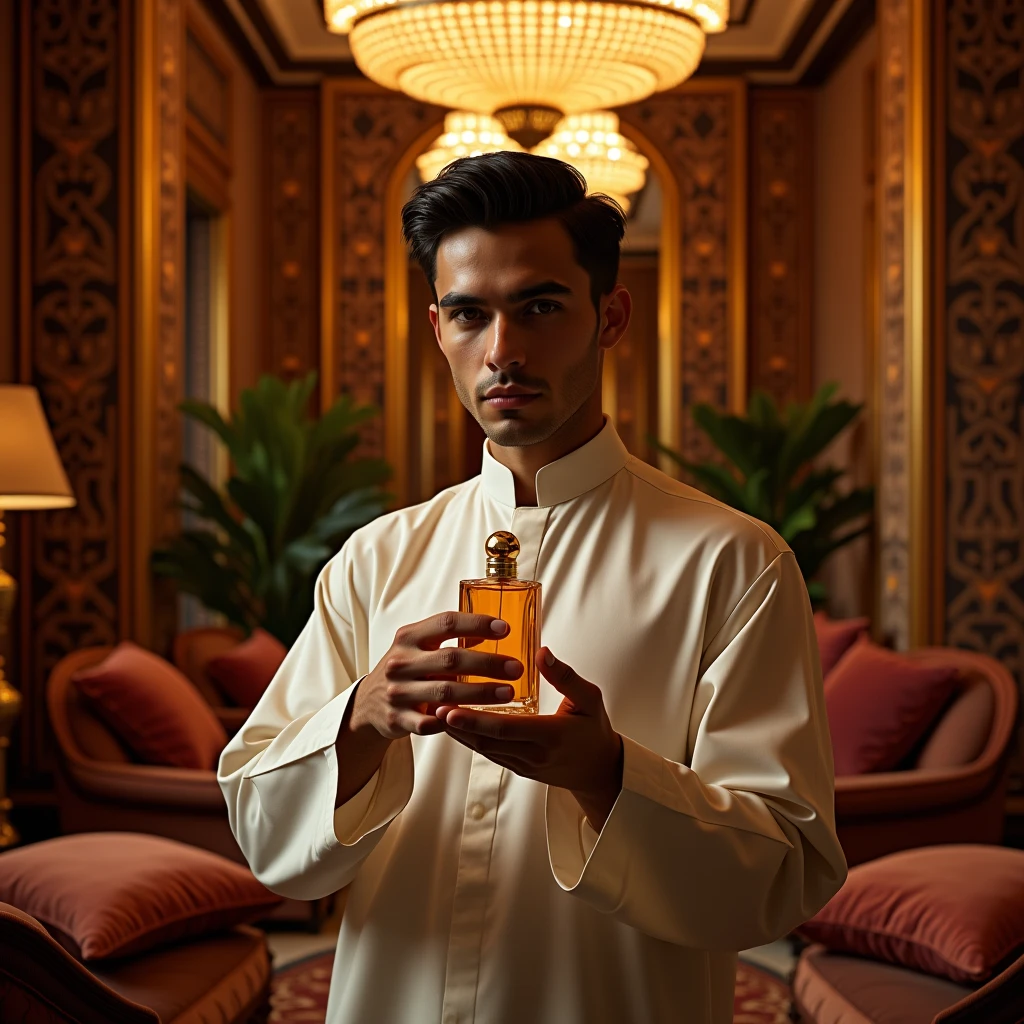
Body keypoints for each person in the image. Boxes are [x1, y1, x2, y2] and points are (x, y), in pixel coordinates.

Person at [218, 151, 847, 1024]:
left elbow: (783, 872)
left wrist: (610, 778)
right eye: (471, 315)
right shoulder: (373, 560)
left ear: (610, 316)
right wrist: (360, 718)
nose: (503, 352)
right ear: (437, 328)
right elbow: (262, 833)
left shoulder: (734, 564)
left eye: (540, 306)